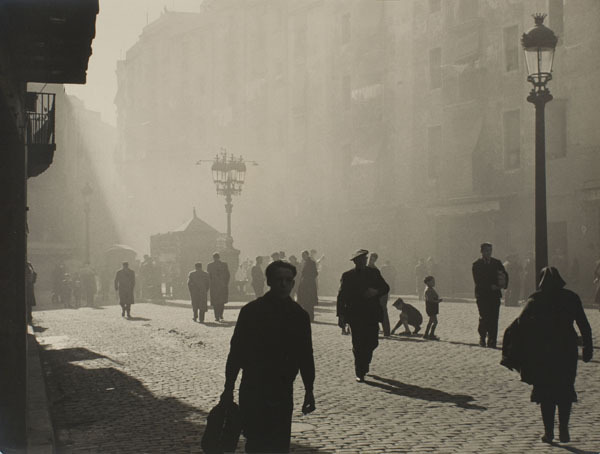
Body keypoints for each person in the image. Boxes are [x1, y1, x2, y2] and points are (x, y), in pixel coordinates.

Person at [220, 260, 316, 453]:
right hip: (254, 388)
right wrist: (228, 387)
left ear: (293, 283)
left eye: (288, 280)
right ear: (269, 281)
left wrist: (309, 390)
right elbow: (236, 351)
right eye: (278, 279)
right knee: (255, 442)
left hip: (282, 389)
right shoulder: (251, 311)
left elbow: (306, 355)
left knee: (280, 443)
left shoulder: (299, 316)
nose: (284, 284)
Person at [502, 267, 593, 444]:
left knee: (546, 392)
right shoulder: (571, 298)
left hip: (542, 352)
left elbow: (520, 324)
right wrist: (588, 347)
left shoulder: (536, 299)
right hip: (566, 350)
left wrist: (514, 351)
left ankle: (549, 432)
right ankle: (564, 429)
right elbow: (584, 324)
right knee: (565, 389)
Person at [337, 249, 390, 382]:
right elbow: (341, 297)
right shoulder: (348, 276)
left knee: (372, 341)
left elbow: (385, 287)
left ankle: (365, 362)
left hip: (371, 313)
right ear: (355, 262)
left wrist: (375, 291)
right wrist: (341, 316)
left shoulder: (374, 273)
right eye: (360, 260)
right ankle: (359, 371)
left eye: (364, 259)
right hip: (355, 314)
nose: (363, 262)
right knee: (358, 343)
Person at [472, 242, 508, 348]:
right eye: (486, 251)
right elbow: (478, 280)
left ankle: (492, 339)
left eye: (490, 251)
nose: (488, 253)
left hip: (494, 295)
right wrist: (489, 286)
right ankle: (482, 337)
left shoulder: (497, 263)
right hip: (482, 295)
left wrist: (501, 284)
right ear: (482, 252)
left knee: (494, 317)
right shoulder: (477, 264)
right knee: (484, 317)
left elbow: (504, 275)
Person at [368, 252, 391, 337]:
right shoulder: (370, 268)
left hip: (380, 293)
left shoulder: (374, 269)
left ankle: (387, 332)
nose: (370, 261)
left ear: (375, 260)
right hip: (378, 292)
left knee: (382, 311)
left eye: (372, 259)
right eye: (370, 259)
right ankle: (378, 330)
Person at [207, 252, 230, 322]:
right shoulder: (224, 264)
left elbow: (209, 276)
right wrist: (225, 283)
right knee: (221, 301)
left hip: (214, 286)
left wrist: (210, 284)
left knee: (215, 301)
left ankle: (217, 316)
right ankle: (220, 314)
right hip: (222, 286)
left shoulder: (210, 265)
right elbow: (228, 275)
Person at [297, 250, 318, 322]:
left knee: (308, 302)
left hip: (309, 285)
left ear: (307, 255)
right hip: (306, 284)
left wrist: (308, 279)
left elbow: (315, 273)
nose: (302, 256)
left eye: (303, 255)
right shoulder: (305, 262)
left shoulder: (311, 263)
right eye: (302, 255)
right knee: (306, 302)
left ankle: (310, 317)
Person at [423, 276, 442, 340]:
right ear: (428, 282)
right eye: (432, 282)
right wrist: (437, 301)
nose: (434, 283)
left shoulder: (430, 289)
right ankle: (429, 334)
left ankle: (428, 334)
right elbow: (430, 300)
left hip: (433, 307)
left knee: (432, 321)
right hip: (431, 307)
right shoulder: (428, 290)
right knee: (434, 321)